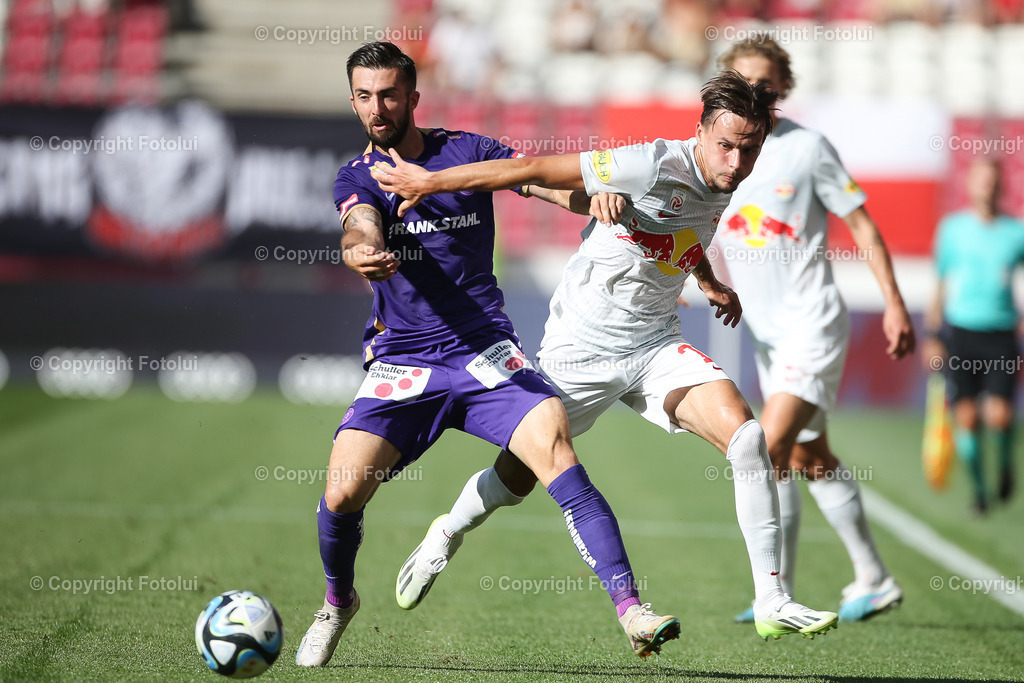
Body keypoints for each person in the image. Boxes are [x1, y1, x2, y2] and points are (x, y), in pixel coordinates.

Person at [373, 70, 841, 641]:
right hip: (581, 348)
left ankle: (771, 598)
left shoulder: (729, 176)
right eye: (726, 146)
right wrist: (431, 180)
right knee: (516, 479)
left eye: (750, 150)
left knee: (747, 440)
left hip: (655, 343)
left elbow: (678, 229)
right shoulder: (647, 162)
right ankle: (446, 533)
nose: (737, 162)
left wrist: (709, 280)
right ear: (699, 132)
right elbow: (529, 170)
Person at [294, 42, 684, 667]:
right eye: (365, 96)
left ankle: (632, 608)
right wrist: (360, 249)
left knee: (557, 451)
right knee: (342, 494)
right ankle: (338, 601)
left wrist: (596, 197)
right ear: (353, 100)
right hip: (405, 360)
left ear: (413, 97)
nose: (378, 107)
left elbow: (545, 186)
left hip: (485, 351)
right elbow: (359, 223)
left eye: (390, 94)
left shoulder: (468, 151)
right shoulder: (356, 174)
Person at [712, 37, 915, 623]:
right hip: (768, 337)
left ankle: (775, 594)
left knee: (765, 448)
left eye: (766, 86)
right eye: (743, 83)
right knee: (810, 455)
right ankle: (873, 578)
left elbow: (865, 226)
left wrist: (895, 305)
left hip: (813, 325)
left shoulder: (808, 149)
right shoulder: (725, 153)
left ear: (783, 89)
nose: (755, 94)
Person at [923, 157, 1024, 514]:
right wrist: (933, 334)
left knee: (999, 416)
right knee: (966, 418)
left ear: (1002, 186)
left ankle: (1006, 465)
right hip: (961, 332)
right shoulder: (952, 229)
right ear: (970, 184)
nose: (988, 186)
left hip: (1000, 333)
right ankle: (981, 492)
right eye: (982, 179)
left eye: (994, 180)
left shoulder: (1016, 232)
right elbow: (939, 284)